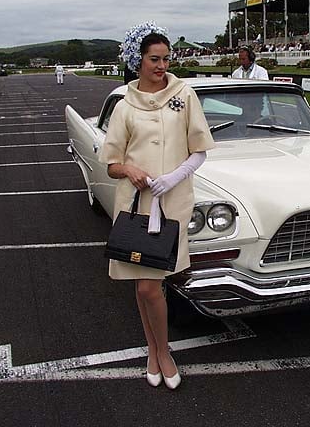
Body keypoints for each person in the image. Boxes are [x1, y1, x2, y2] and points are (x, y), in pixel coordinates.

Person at [98, 21, 215, 390]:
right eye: (153, 59)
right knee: (145, 284)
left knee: (154, 283)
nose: (161, 66)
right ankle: (159, 350)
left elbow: (200, 150)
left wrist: (173, 177)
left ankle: (158, 350)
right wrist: (130, 169)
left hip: (174, 200)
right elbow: (112, 162)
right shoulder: (124, 105)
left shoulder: (184, 96)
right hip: (136, 203)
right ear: (138, 60)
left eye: (165, 58)